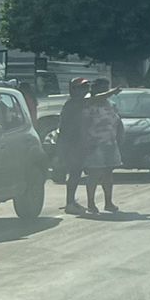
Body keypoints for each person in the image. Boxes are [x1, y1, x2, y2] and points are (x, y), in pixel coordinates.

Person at [81, 87, 125, 214]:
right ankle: (91, 203)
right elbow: (83, 125)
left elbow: (118, 121)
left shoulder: (111, 105)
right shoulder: (89, 104)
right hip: (95, 144)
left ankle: (108, 202)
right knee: (94, 174)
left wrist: (120, 137)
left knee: (108, 174)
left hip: (110, 143)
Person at [60, 78, 92, 215]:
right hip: (73, 144)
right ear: (73, 89)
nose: (85, 90)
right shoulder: (72, 104)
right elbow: (67, 128)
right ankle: (69, 203)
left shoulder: (81, 103)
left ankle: (72, 201)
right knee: (74, 173)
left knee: (77, 174)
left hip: (79, 143)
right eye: (81, 87)